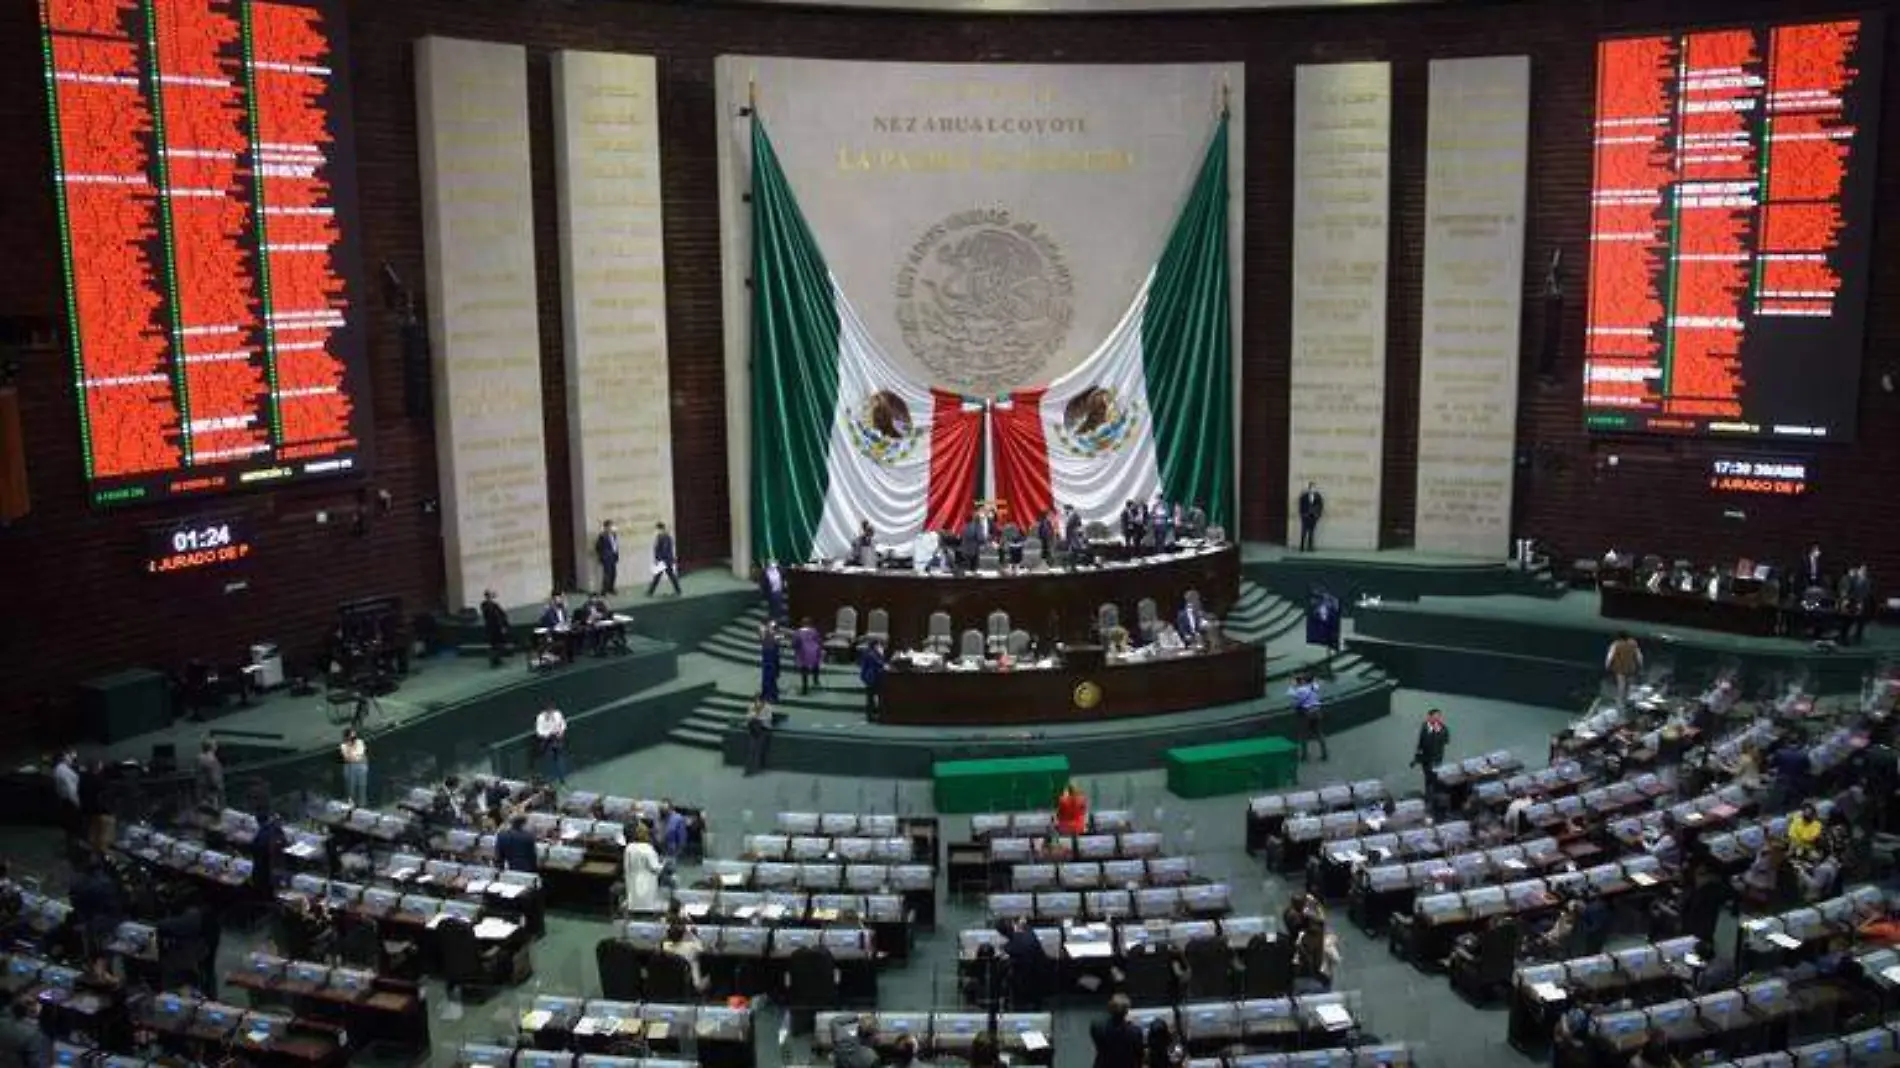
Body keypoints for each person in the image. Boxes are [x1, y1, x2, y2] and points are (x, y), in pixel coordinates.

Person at [1089, 994, 1144, 1068]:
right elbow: (1138, 1054)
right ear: (1126, 1011)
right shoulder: (1135, 1031)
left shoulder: (1097, 1027)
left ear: (1109, 1008)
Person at [622, 822, 666, 913]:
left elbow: (626, 866)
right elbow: (655, 868)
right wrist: (663, 864)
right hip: (647, 881)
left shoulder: (629, 848)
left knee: (634, 900)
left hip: (632, 879)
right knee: (645, 902)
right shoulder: (648, 849)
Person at [662, 912, 707, 992]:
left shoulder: (665, 946)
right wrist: (694, 935)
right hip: (690, 986)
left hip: (666, 988)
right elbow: (703, 948)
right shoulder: (691, 947)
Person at [1290, 672, 1326, 761]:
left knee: (1303, 735)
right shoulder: (1314, 687)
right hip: (1317, 711)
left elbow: (1297, 703)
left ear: (1304, 681)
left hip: (1306, 714)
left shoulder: (1300, 690)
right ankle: (1324, 753)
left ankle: (1304, 755)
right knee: (1318, 733)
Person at [1412, 708, 1450, 791]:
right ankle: (1428, 792)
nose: (1437, 718)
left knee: (1434, 776)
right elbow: (1421, 742)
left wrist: (1438, 731)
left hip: (1436, 757)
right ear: (1429, 717)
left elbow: (1446, 741)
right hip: (1425, 757)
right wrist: (1416, 758)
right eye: (1435, 716)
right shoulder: (1424, 726)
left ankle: (1434, 792)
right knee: (1427, 777)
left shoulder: (1443, 728)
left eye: (1439, 716)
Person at [1605, 631, 1643, 706]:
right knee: (1629, 683)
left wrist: (1607, 664)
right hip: (1630, 666)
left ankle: (1620, 699)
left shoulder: (1616, 644)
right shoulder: (1633, 643)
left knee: (1621, 683)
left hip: (1620, 666)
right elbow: (1639, 655)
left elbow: (1610, 655)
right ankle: (1628, 697)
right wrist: (1640, 664)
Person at [53, 749, 81, 843]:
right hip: (70, 801)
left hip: (65, 800)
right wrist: (77, 802)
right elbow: (70, 789)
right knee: (73, 825)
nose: (72, 759)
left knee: (69, 825)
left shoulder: (59, 769)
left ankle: (71, 843)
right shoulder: (64, 771)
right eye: (70, 756)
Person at [648, 521, 681, 597]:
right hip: (662, 560)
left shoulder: (666, 537)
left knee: (668, 576)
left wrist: (660, 559)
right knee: (660, 576)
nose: (656, 531)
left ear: (661, 529)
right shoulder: (659, 537)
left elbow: (665, 550)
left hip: (665, 560)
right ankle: (650, 592)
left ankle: (650, 592)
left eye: (657, 529)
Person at [480, 589, 512, 667]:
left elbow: (502, 614)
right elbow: (488, 613)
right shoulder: (485, 605)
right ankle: (493, 660)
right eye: (489, 595)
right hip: (491, 628)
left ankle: (498, 659)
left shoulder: (495, 605)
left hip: (497, 627)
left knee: (499, 644)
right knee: (493, 645)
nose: (490, 597)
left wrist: (504, 624)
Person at [338, 729, 368, 806]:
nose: (354, 739)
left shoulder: (360, 742)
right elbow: (347, 758)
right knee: (350, 787)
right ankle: (351, 804)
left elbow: (361, 754)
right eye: (351, 737)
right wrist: (351, 748)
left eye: (354, 736)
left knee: (362, 785)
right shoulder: (343, 745)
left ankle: (362, 804)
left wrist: (354, 756)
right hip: (350, 767)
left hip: (361, 766)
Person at [793, 618, 823, 694]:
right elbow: (819, 641)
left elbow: (795, 643)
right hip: (814, 651)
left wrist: (796, 650)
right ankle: (816, 680)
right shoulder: (814, 631)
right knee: (815, 665)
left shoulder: (798, 632)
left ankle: (805, 688)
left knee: (804, 670)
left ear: (802, 624)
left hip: (803, 652)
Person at [859, 639, 886, 721]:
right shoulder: (871, 654)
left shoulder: (870, 652)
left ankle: (872, 714)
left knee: (871, 698)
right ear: (875, 646)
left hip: (871, 677)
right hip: (872, 678)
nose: (881, 647)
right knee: (871, 698)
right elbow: (879, 663)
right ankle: (871, 716)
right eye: (880, 645)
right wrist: (881, 655)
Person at [744, 696, 772, 776]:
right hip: (753, 730)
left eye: (760, 700)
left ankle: (756, 768)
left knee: (759, 750)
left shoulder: (767, 708)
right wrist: (755, 716)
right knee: (751, 750)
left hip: (763, 730)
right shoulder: (752, 706)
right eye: (757, 700)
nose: (759, 702)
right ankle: (749, 768)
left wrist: (758, 718)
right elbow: (748, 717)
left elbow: (768, 719)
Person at [196, 739, 224, 813]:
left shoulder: (200, 759)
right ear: (213, 747)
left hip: (202, 790)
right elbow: (214, 778)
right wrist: (218, 787)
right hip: (211, 792)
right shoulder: (211, 760)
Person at [758, 621, 783, 703]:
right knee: (769, 677)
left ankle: (768, 694)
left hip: (769, 655)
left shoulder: (767, 633)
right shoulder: (770, 635)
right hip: (770, 655)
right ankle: (770, 695)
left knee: (769, 677)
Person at [595, 519, 621, 595]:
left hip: (613, 556)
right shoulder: (602, 536)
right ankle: (604, 590)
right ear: (606, 527)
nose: (611, 527)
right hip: (606, 558)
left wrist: (616, 554)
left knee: (614, 573)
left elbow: (615, 545)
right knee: (607, 574)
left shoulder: (614, 535)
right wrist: (603, 555)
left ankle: (611, 588)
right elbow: (598, 547)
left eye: (612, 525)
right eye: (610, 526)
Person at [1297, 481, 1323, 552]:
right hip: (1305, 516)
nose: (1312, 489)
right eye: (1311, 487)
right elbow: (1300, 505)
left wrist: (1318, 515)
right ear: (1309, 488)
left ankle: (1310, 547)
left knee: (1311, 532)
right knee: (1304, 532)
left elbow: (1320, 506)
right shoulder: (1304, 496)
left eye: (1313, 487)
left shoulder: (1318, 496)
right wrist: (1302, 514)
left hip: (1313, 516)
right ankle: (1302, 546)